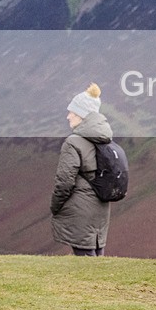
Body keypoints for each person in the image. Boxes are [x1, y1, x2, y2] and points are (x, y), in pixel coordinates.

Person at [50, 83, 114, 256]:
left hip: (81, 211)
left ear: (82, 115)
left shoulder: (73, 143)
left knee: (85, 263)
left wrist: (55, 206)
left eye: (72, 112)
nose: (68, 116)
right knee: (96, 257)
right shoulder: (105, 139)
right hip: (101, 210)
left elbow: (64, 182)